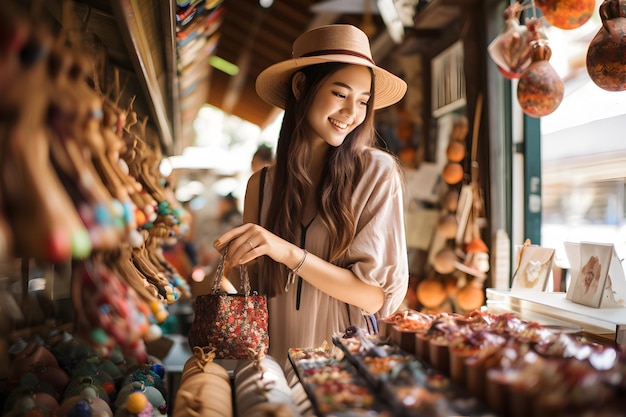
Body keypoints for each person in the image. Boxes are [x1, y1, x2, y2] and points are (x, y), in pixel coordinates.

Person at [213, 24, 409, 361]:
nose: (351, 113)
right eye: (340, 94)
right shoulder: (261, 185)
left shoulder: (376, 173)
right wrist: (217, 278)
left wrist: (288, 252)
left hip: (342, 370)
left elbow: (374, 297)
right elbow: (253, 290)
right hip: (269, 368)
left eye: (363, 101)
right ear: (302, 86)